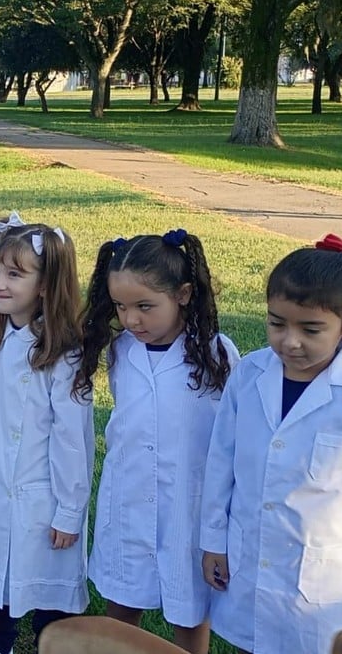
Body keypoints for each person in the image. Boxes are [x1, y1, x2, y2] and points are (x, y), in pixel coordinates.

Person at [199, 236, 342, 654]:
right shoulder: (249, 374)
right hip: (248, 552)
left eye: (310, 329)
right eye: (277, 323)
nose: (290, 341)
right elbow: (221, 460)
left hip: (322, 574)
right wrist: (213, 538)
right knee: (253, 642)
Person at [75, 230, 240, 654]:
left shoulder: (218, 355)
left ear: (183, 294)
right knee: (123, 603)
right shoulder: (120, 352)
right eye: (121, 307)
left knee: (189, 608)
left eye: (145, 307)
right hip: (128, 500)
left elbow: (231, 439)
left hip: (188, 506)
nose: (131, 320)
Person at [0, 213, 93, 654]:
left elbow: (72, 439)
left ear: (47, 285)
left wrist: (69, 509)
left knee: (45, 583)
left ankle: (53, 644)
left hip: (43, 492)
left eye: (15, 274)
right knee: (1, 575)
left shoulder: (60, 354)